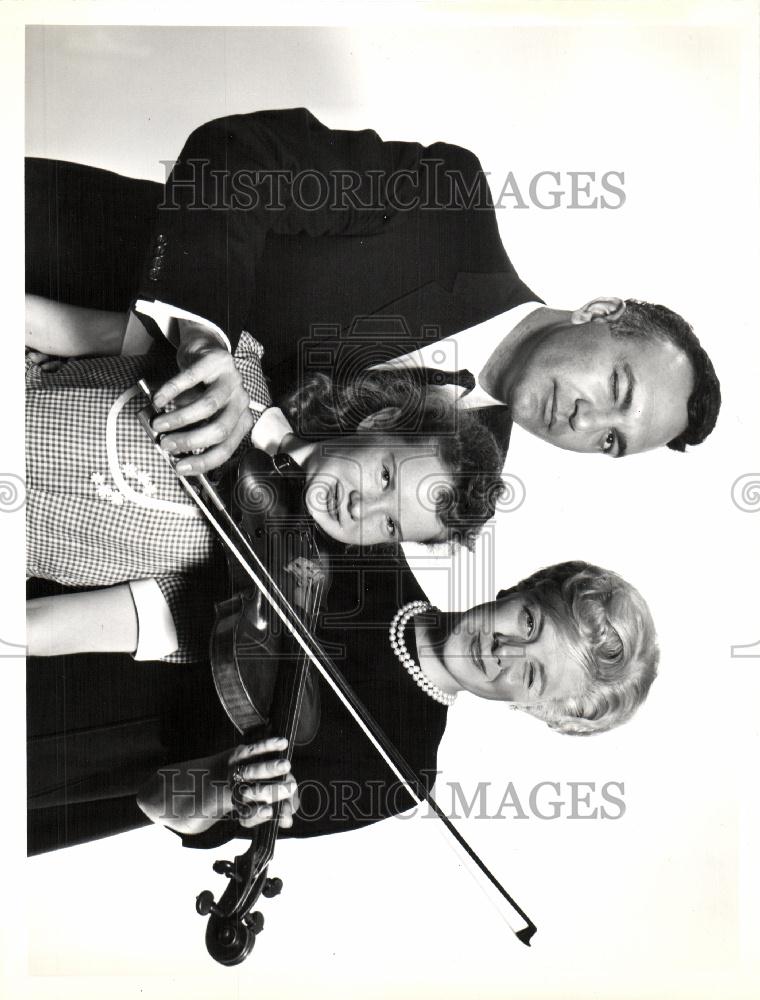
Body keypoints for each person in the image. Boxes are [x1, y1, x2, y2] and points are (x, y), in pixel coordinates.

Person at [25, 108, 721, 473]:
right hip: (49, 256)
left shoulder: (459, 480)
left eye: (610, 442)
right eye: (617, 391)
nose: (587, 422)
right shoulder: (448, 200)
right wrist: (200, 329)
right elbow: (237, 160)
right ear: (602, 314)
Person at [27, 554, 659, 853]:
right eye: (528, 620)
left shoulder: (401, 771)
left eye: (533, 675)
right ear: (517, 587)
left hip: (85, 746)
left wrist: (229, 787)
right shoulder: (372, 551)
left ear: (532, 710)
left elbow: (161, 802)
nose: (503, 648)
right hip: (84, 597)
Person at [25, 298, 505, 663]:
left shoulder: (244, 585)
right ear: (378, 423)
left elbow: (43, 627)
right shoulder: (236, 368)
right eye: (385, 476)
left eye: (392, 526)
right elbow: (70, 328)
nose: (365, 509)